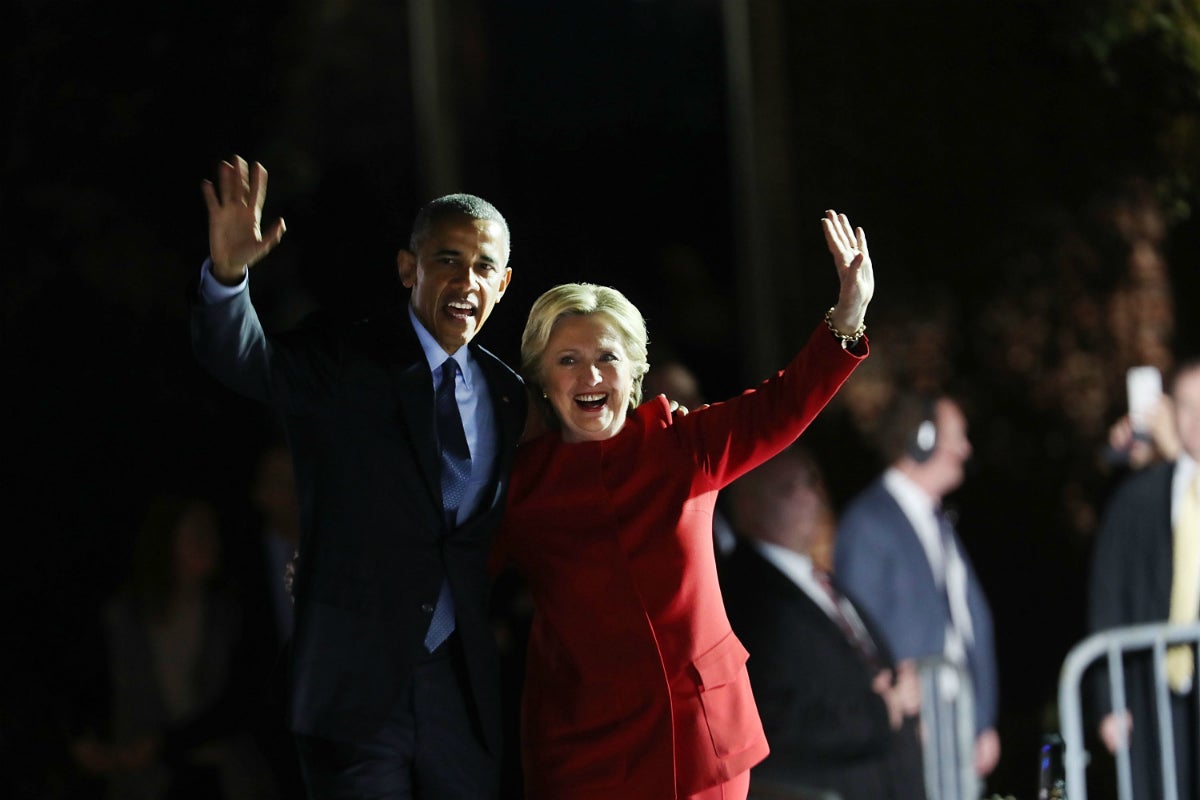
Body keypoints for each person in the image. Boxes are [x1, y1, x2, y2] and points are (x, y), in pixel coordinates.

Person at [490, 210, 874, 799]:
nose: (590, 374)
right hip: (579, 752)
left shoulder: (680, 446)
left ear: (635, 369)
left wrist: (847, 314)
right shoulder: (517, 487)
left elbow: (782, 405)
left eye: (607, 357)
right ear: (542, 379)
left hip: (697, 741)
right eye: (568, 360)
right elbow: (440, 562)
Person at [191, 156, 528, 798]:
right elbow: (248, 361)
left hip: (460, 690)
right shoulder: (346, 359)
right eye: (447, 259)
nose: (466, 279)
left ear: (504, 282)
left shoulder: (510, 396)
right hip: (354, 684)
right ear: (409, 268)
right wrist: (229, 279)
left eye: (484, 266)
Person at [720, 446, 925, 800]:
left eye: (810, 482)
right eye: (787, 489)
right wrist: (881, 711)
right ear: (746, 505)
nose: (807, 496)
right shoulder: (743, 594)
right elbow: (771, 717)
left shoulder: (819, 580)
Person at [834, 392, 1001, 781]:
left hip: (956, 727)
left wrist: (983, 720)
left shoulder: (936, 520)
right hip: (912, 738)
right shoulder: (868, 524)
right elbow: (862, 641)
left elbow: (967, 620)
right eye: (957, 436)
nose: (966, 448)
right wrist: (907, 717)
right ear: (921, 442)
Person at [70, 495, 275, 800]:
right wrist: (88, 741)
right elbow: (91, 688)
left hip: (224, 777)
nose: (210, 544)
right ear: (166, 542)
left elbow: (240, 701)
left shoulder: (230, 615)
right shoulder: (125, 618)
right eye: (197, 535)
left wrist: (166, 743)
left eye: (212, 533)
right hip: (146, 781)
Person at [1088, 359, 1200, 800]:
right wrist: (1108, 700)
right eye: (1187, 406)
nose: (1196, 420)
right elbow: (1108, 596)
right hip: (1155, 697)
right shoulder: (1139, 496)